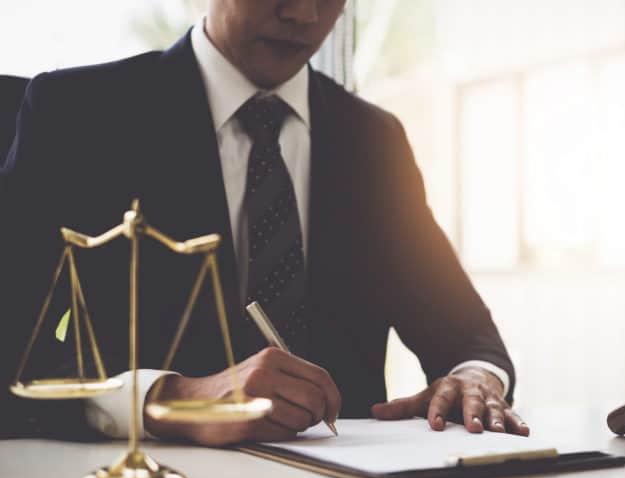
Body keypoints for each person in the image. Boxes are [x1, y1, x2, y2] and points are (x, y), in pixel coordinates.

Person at [0, 0, 527, 446]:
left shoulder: (374, 139)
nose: (303, 13)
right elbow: (11, 349)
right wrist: (170, 399)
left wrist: (474, 379)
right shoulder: (75, 114)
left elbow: (468, 337)